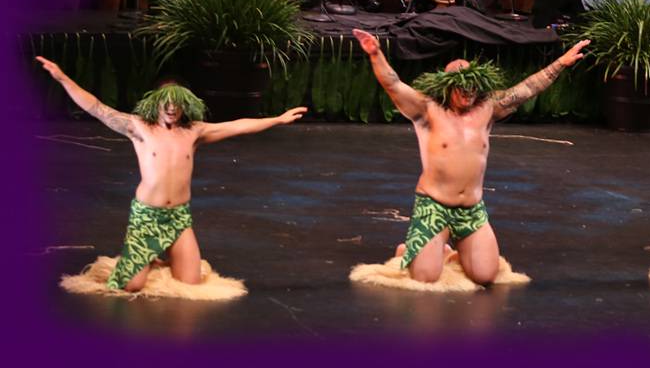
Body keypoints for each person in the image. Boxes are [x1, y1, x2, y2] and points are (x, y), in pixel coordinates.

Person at [36, 56, 307, 292]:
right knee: (131, 286)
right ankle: (144, 258)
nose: (171, 107)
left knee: (190, 282)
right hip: (147, 217)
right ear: (155, 102)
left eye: (177, 103)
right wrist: (62, 78)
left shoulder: (194, 131)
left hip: (179, 217)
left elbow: (237, 125)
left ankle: (156, 259)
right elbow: (96, 107)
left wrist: (277, 119)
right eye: (165, 102)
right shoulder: (138, 127)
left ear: (185, 105)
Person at [353, 29, 588, 283]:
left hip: (472, 210)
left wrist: (560, 63)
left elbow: (528, 88)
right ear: (448, 86)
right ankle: (411, 250)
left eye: (473, 87)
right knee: (425, 277)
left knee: (485, 275)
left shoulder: (488, 108)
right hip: (434, 206)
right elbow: (393, 84)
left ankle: (445, 250)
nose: (468, 92)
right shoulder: (427, 109)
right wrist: (375, 54)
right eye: (462, 87)